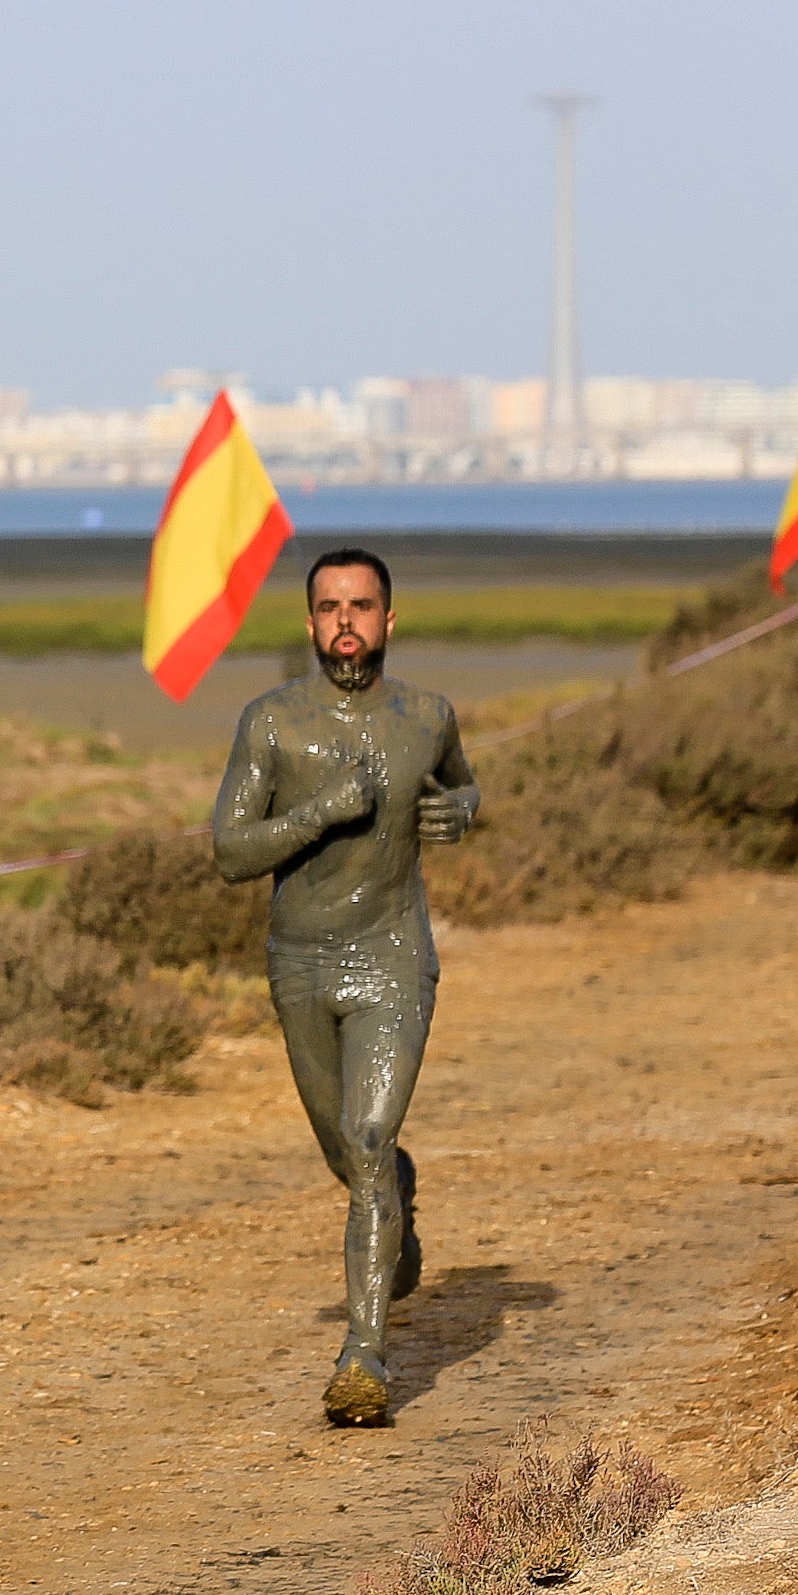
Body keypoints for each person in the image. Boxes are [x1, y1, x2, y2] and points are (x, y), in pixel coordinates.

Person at [213, 547, 479, 1428]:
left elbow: (462, 785)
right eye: (330, 607)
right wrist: (318, 813)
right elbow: (228, 852)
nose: (346, 622)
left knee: (366, 1135)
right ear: (309, 621)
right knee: (350, 1155)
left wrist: (462, 809)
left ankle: (363, 1355)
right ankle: (392, 1191)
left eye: (362, 606)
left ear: (390, 620)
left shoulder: (427, 717)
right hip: (301, 961)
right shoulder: (273, 723)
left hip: (394, 953)